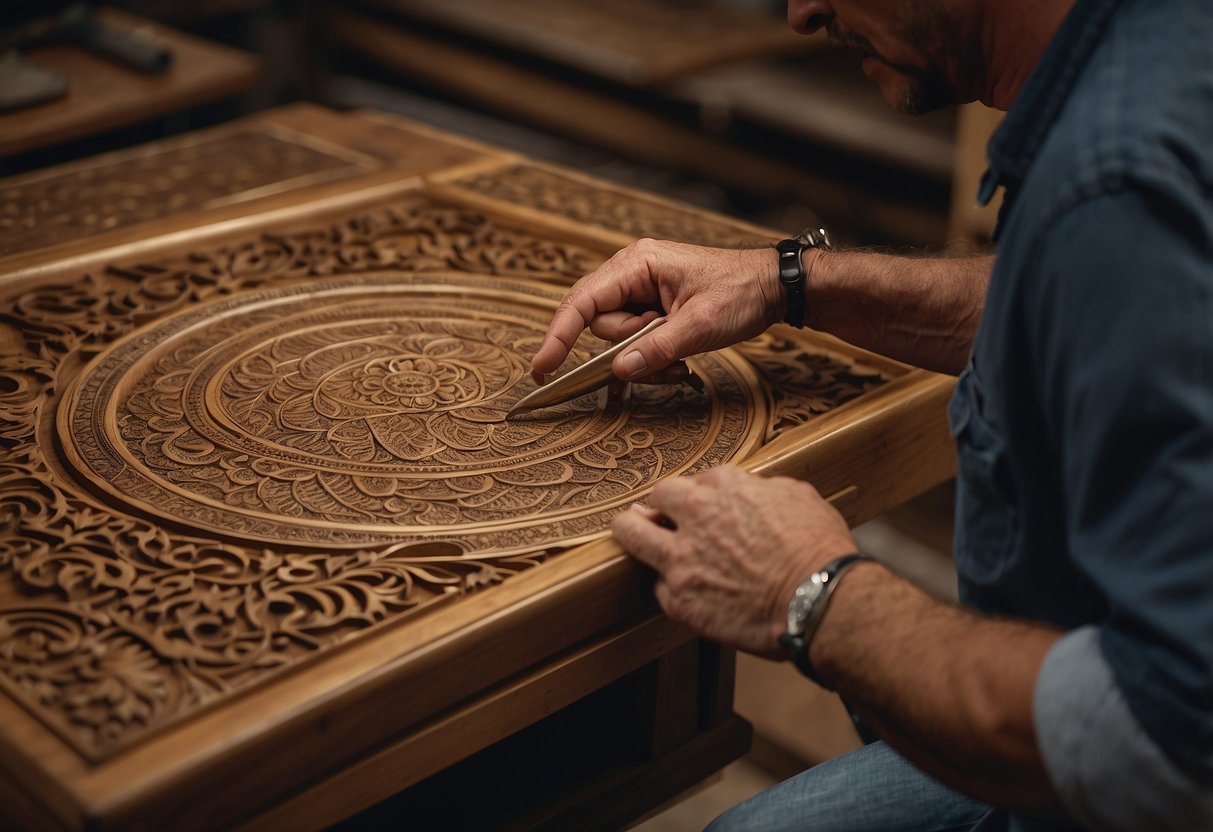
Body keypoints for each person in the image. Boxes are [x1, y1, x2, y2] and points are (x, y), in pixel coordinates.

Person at [529, 0, 1213, 829]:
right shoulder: (1153, 51)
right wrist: (789, 282)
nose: (801, 13)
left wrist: (811, 591)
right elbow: (1071, 295)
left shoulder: (1123, 181)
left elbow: (1165, 737)